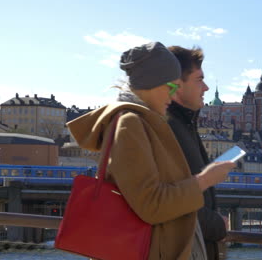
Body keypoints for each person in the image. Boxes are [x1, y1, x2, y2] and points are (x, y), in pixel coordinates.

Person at [67, 42, 235, 260]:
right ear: (152, 83)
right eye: (171, 87)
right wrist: (204, 180)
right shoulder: (131, 124)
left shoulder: (143, 123)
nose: (173, 95)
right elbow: (151, 204)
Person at [167, 46, 227, 260]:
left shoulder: (184, 125)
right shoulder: (168, 128)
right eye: (199, 79)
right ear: (176, 84)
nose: (206, 87)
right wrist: (217, 224)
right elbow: (170, 203)